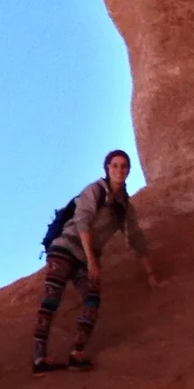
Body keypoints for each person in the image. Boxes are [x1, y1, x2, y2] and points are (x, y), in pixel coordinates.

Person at [33, 150, 157, 374]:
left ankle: (77, 353)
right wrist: (92, 260)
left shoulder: (123, 206)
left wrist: (151, 275)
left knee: (92, 299)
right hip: (65, 248)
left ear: (129, 170)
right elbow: (82, 223)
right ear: (107, 168)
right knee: (51, 299)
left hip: (84, 257)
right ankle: (39, 359)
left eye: (124, 166)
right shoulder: (95, 190)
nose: (119, 170)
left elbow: (135, 238)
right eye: (115, 165)